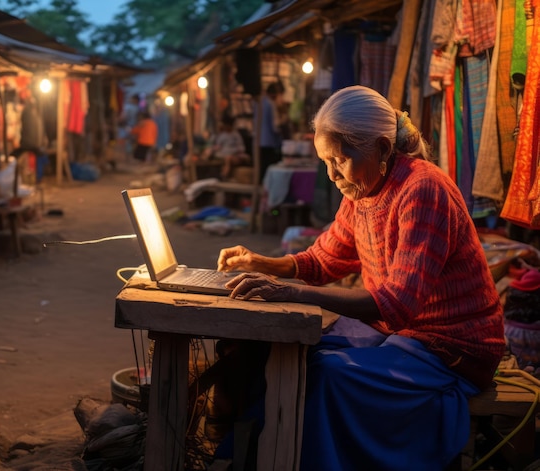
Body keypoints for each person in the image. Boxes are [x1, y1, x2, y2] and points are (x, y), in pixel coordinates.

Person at [216, 85, 505, 470]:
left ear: (383, 150)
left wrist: (293, 294)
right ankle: (252, 455)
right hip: (404, 337)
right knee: (273, 352)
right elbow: (323, 259)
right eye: (326, 162)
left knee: (326, 373)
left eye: (339, 160)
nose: (332, 174)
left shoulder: (423, 189)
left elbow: (397, 304)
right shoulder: (361, 190)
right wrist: (260, 263)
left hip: (451, 351)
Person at [258, 82, 284, 183]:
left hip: (260, 141)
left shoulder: (259, 103)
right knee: (270, 169)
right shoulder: (271, 104)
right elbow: (275, 127)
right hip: (270, 142)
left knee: (262, 169)